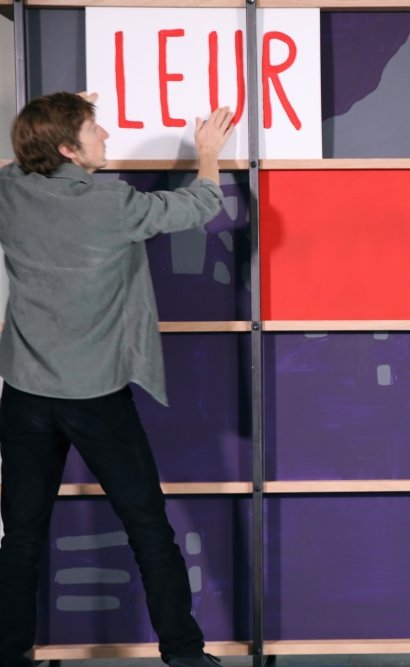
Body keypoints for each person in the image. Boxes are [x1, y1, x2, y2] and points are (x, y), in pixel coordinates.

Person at [0, 91, 234, 667]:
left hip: (25, 393)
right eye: (93, 130)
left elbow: (14, 163)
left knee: (21, 539)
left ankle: (9, 654)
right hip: (96, 397)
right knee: (148, 528)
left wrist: (52, 115)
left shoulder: (10, 190)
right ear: (67, 150)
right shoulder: (109, 203)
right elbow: (198, 207)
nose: (106, 137)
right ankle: (184, 654)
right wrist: (208, 153)